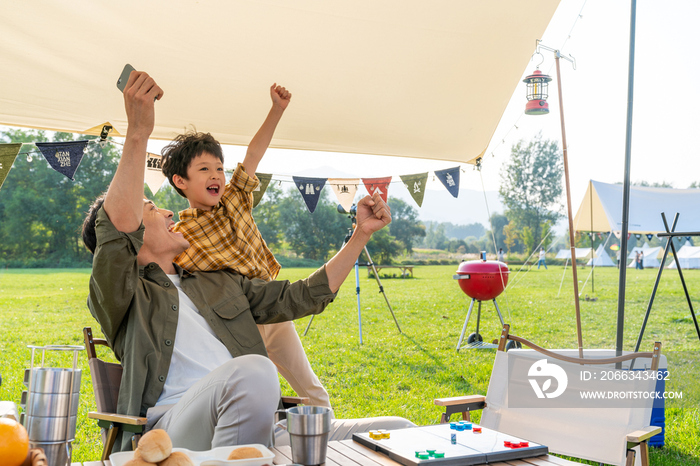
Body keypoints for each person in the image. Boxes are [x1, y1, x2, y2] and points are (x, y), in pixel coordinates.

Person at [82, 70, 414, 453]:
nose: (170, 214)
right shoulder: (122, 296)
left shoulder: (215, 281)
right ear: (134, 237)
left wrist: (360, 234)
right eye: (153, 210)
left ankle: (253, 454)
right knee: (255, 369)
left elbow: (300, 297)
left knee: (399, 430)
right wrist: (139, 130)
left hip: (257, 423)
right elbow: (115, 233)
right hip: (173, 427)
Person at [159, 84, 332, 410]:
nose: (217, 176)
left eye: (220, 169)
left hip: (274, 311)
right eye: (204, 169)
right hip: (235, 324)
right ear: (180, 181)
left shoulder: (235, 199)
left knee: (312, 391)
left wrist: (276, 109)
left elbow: (253, 155)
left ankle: (328, 449)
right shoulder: (181, 235)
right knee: (257, 399)